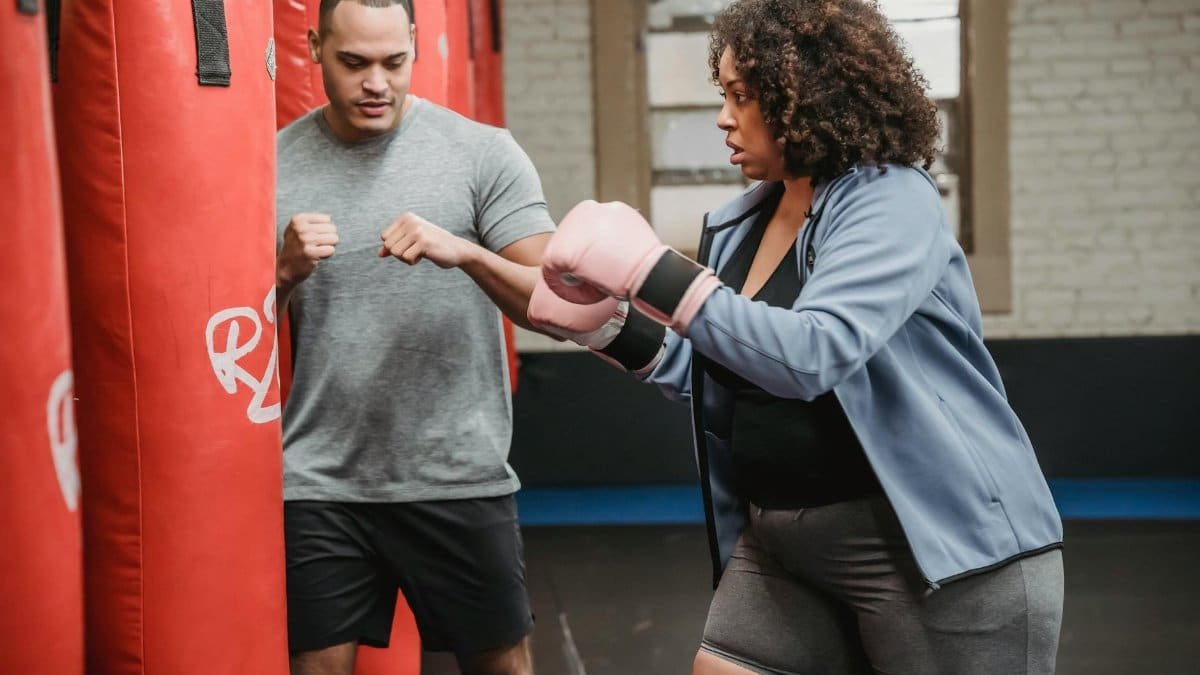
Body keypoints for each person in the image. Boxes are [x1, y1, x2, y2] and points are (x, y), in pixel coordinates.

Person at [528, 1, 1065, 673]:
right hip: (787, 544)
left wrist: (649, 269)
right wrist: (609, 325)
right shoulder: (742, 223)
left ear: (804, 97)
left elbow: (812, 354)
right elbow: (722, 365)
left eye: (742, 96)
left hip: (936, 553)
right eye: (723, 95)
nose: (724, 116)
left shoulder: (891, 199)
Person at [274, 1, 552, 673]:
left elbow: (554, 301)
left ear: (417, 47)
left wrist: (468, 253)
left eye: (394, 62)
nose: (376, 83)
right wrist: (281, 270)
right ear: (313, 47)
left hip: (456, 473)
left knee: (503, 666)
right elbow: (221, 323)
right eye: (354, 63)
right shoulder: (270, 164)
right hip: (321, 478)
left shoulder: (483, 153)